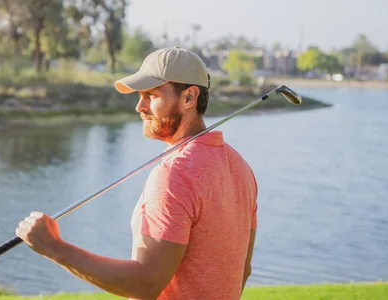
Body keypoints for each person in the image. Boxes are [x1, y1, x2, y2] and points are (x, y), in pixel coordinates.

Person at [16, 46, 258, 300]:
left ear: (189, 98)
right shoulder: (240, 166)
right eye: (140, 95)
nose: (139, 107)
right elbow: (243, 270)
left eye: (151, 95)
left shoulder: (173, 174)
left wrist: (55, 248)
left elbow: (145, 283)